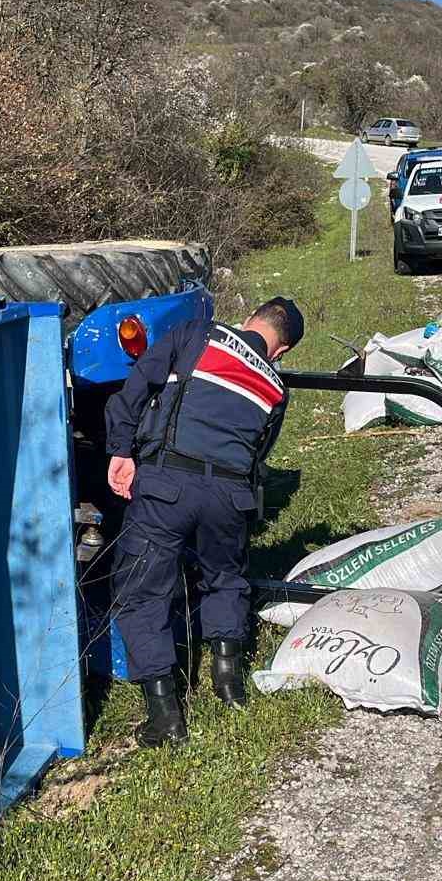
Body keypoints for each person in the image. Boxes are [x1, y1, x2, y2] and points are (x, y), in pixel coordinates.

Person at [105, 296, 304, 747]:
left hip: (165, 487)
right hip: (229, 498)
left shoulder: (195, 335)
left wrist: (120, 450)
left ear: (251, 315)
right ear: (282, 350)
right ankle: (229, 684)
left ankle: (165, 717)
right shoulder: (276, 387)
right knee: (225, 578)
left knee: (141, 592)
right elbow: (260, 455)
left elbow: (135, 391)